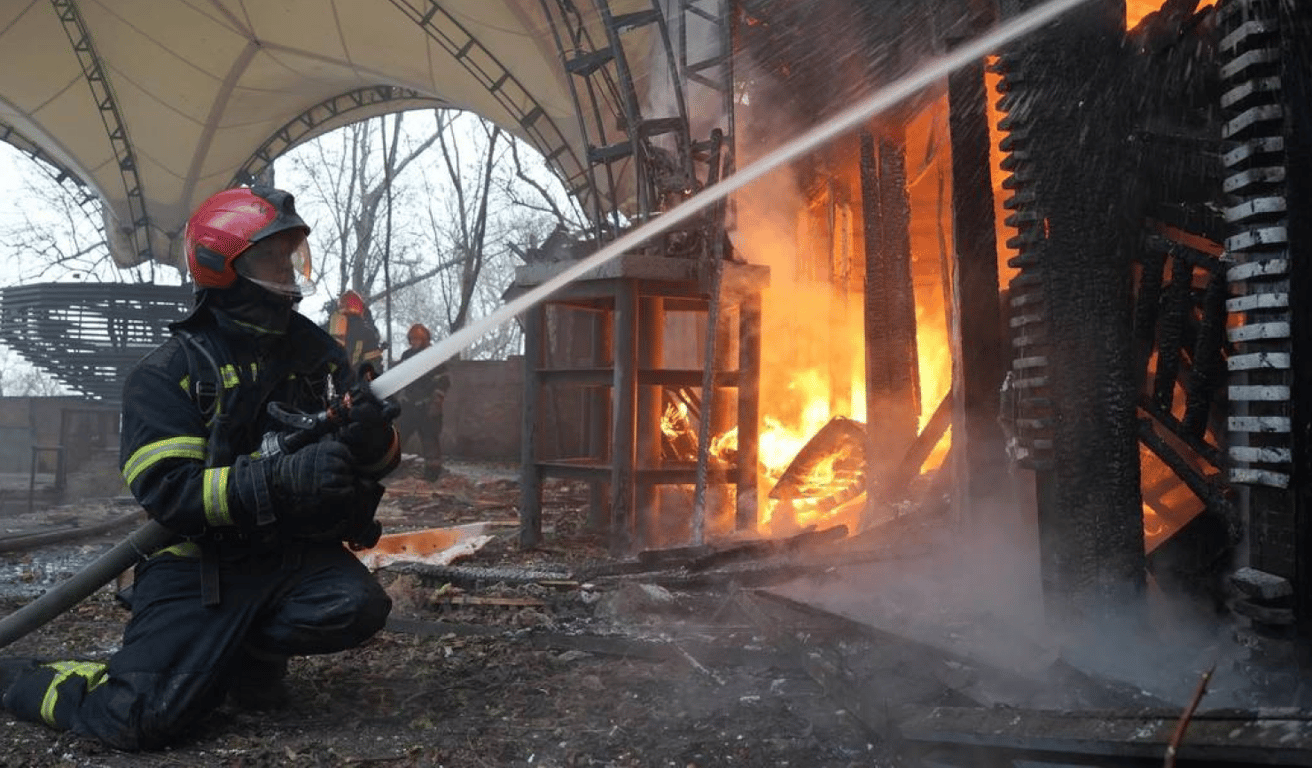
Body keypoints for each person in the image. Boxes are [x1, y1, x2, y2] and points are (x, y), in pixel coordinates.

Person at [0, 185, 400, 750]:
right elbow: (172, 494)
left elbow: (378, 462)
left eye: (292, 255)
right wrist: (281, 479)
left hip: (286, 555)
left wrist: (372, 437)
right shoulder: (166, 375)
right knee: (140, 718)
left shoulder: (317, 358)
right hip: (199, 566)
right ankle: (38, 679)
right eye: (271, 257)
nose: (288, 271)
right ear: (220, 266)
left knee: (354, 606)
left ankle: (245, 659)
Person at [396, 323, 451, 479]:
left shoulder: (434, 356)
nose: (414, 342)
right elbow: (400, 378)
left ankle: (432, 474)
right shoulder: (406, 356)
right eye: (412, 339)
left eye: (417, 339)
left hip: (427, 406)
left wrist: (436, 402)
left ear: (425, 339)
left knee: (430, 439)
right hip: (409, 405)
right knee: (397, 436)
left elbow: (444, 381)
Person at [328, 289, 385, 373]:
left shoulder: (329, 328)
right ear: (360, 308)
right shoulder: (366, 332)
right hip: (354, 381)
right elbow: (374, 365)